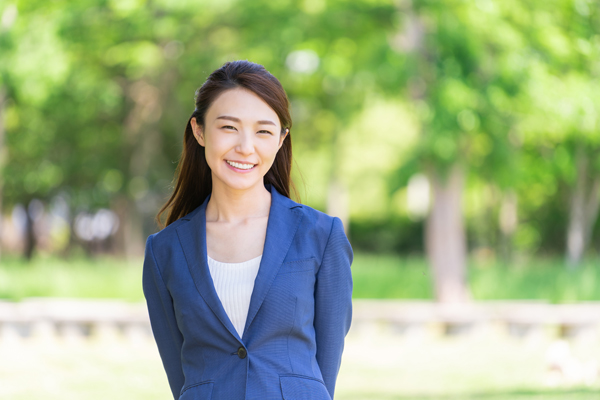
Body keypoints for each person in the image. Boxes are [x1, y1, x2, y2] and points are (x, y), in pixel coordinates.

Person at [142, 60, 353, 400]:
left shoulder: (321, 235)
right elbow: (183, 378)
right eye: (228, 127)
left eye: (264, 131)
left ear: (281, 139)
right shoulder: (164, 251)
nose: (245, 147)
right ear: (199, 130)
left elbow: (324, 369)